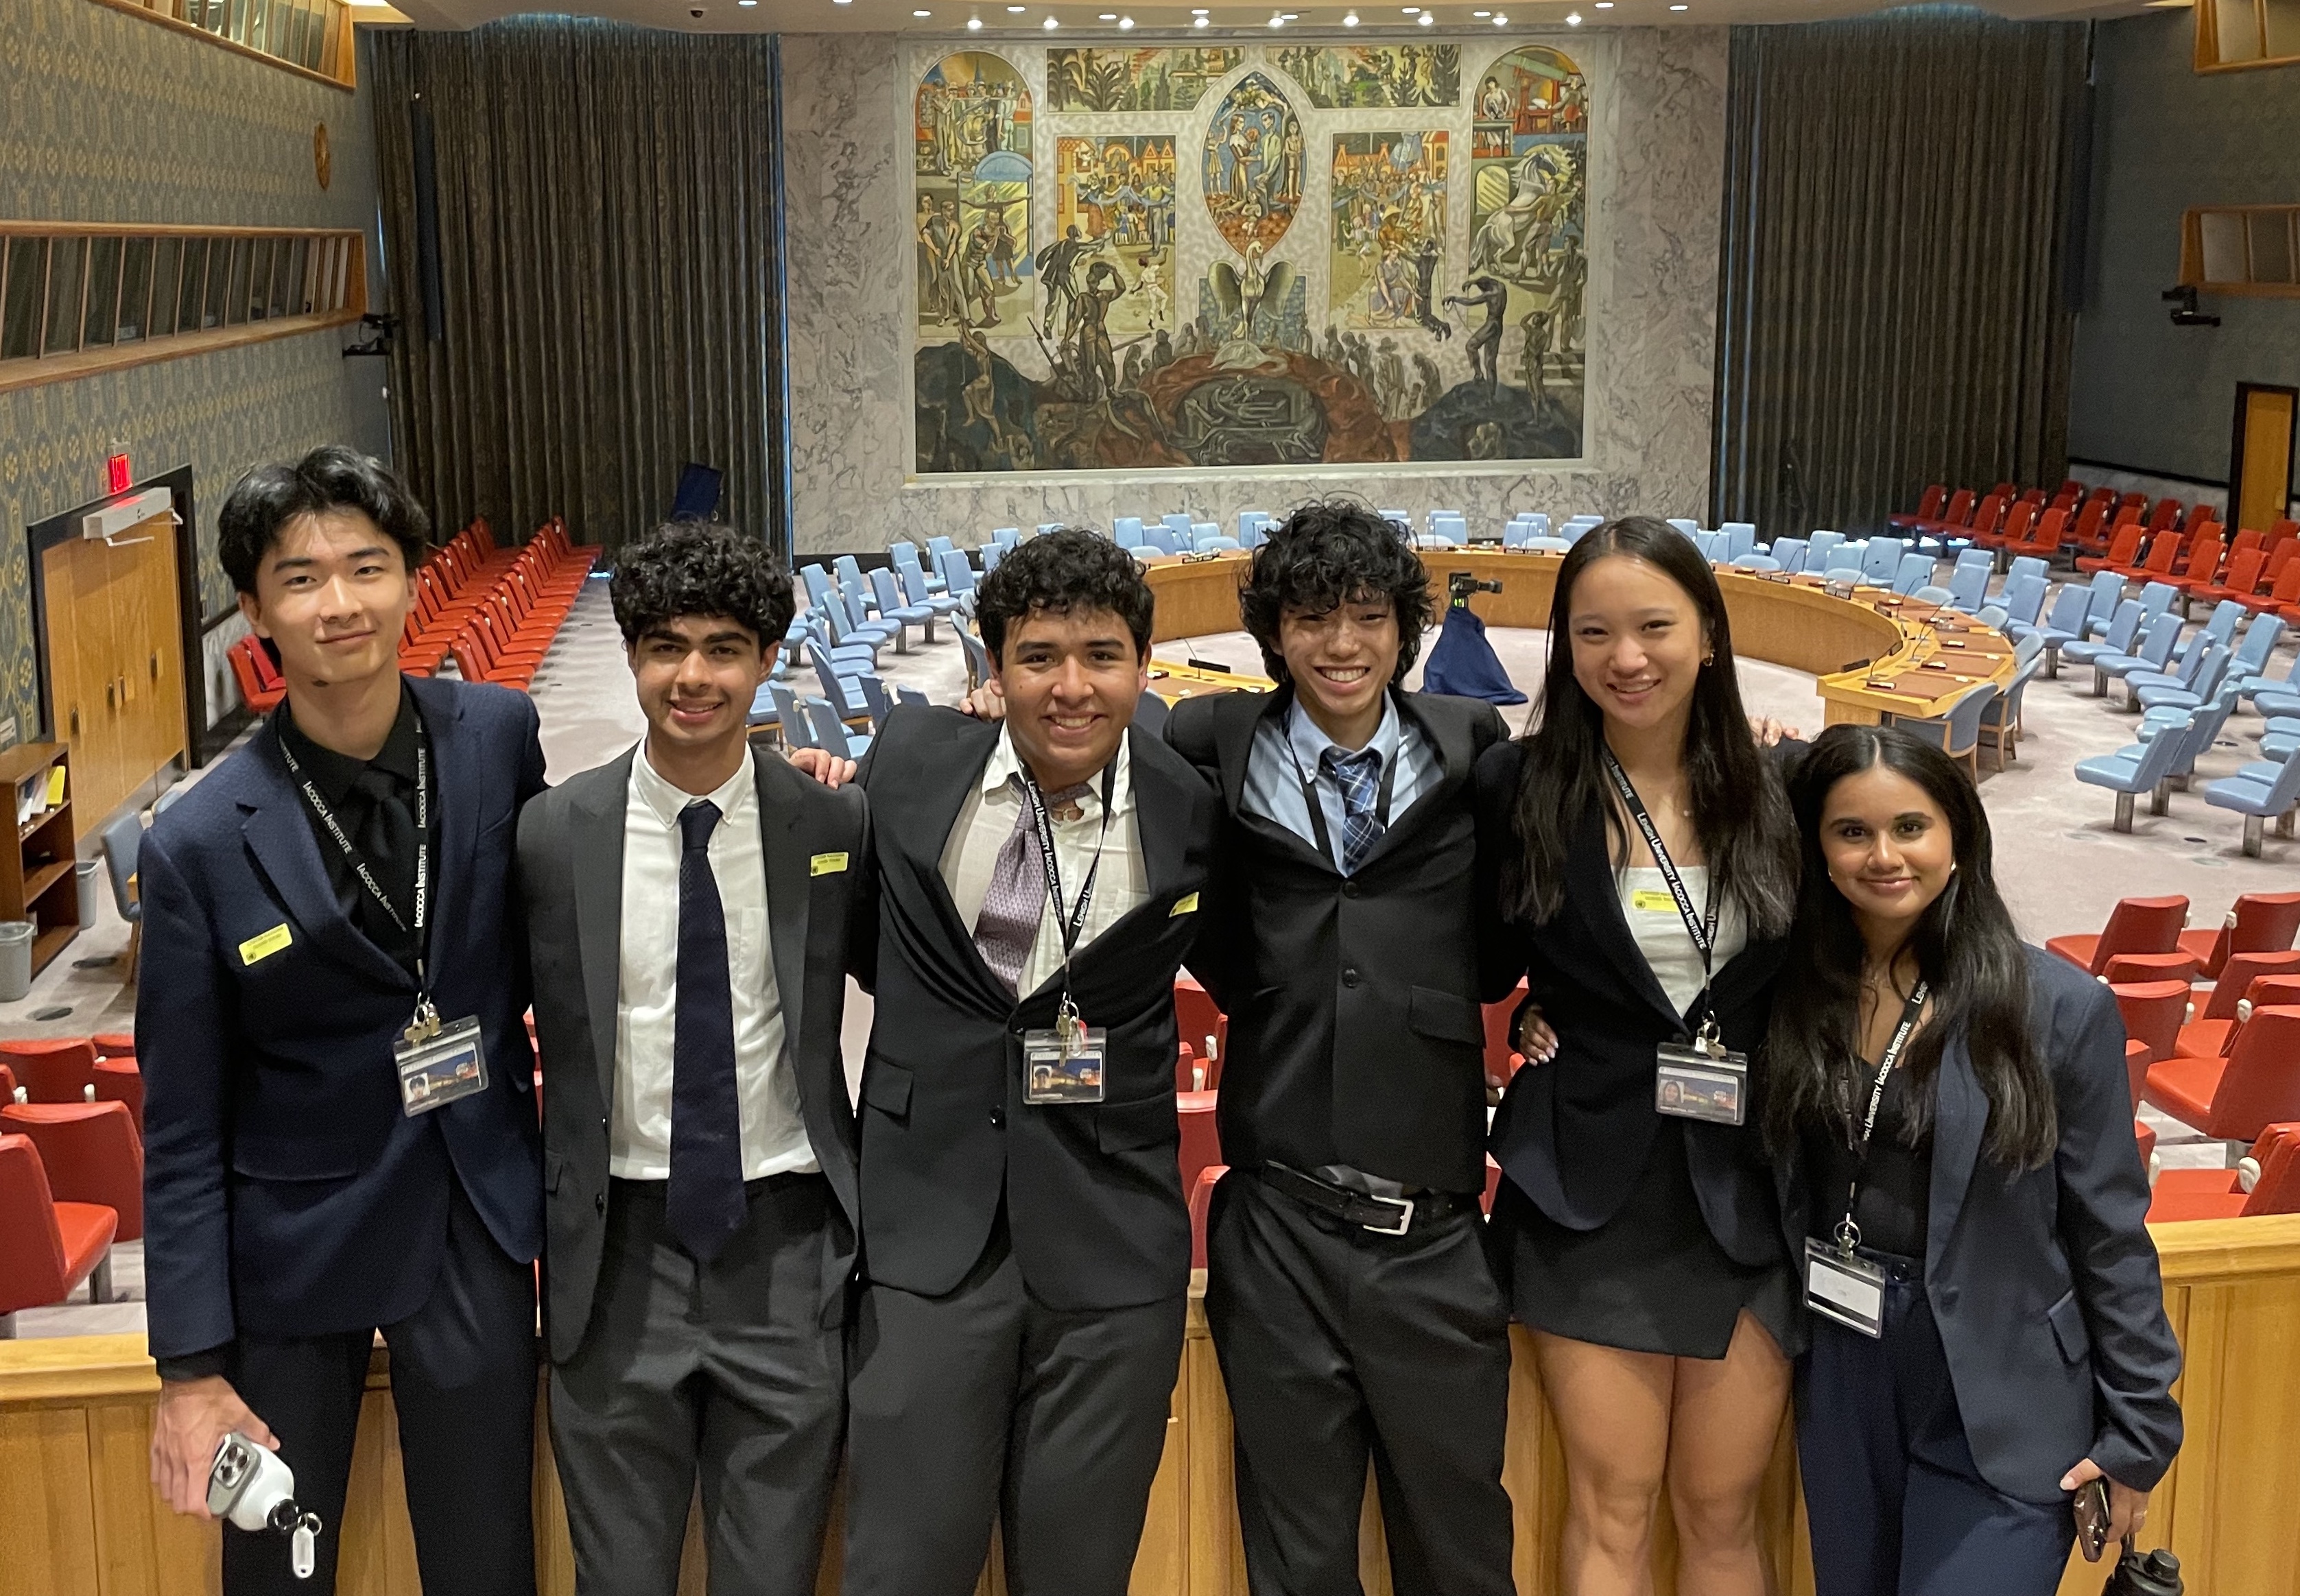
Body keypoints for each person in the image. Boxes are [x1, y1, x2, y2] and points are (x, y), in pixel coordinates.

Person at [139, 447, 544, 1596]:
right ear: (255, 607)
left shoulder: (497, 737)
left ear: (413, 579)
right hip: (288, 1250)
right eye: (301, 577)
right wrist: (188, 1367)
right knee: (273, 1573)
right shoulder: (199, 841)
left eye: (366, 567)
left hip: (471, 1213)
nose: (340, 602)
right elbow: (176, 1128)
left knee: (486, 1562)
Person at [841, 529, 1218, 1596]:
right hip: (926, 1233)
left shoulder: (1194, 804)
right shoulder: (908, 763)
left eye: (1101, 654)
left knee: (1079, 1572)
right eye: (1038, 654)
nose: (1070, 686)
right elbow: (858, 940)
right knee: (903, 1568)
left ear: (1143, 665)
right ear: (991, 663)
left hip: (1110, 1246)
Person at [1166, 503, 1519, 1596]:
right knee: (1297, 1552)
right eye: (1311, 616)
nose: (1341, 643)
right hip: (1277, 1220)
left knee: (1460, 1547)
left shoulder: (1473, 748)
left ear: (1405, 629)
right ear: (1272, 631)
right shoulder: (1211, 744)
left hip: (1434, 1230)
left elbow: (1509, 937)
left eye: (1368, 615)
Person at [516, 522, 868, 1595]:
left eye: (724, 646)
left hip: (788, 1242)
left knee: (773, 1575)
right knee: (618, 1577)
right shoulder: (551, 833)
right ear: (630, 655)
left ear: (768, 659)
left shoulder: (833, 820)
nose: (694, 675)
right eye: (665, 645)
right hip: (617, 1253)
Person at [1766, 725, 2181, 1595]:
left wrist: (2140, 1430)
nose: (1883, 855)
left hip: (2004, 1380)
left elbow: (2109, 1231)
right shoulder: (1792, 990)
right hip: (1842, 1360)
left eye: (1910, 827)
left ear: (1958, 836)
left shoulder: (2056, 1007)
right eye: (1851, 831)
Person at [1475, 516, 1802, 1596]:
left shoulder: (1783, 789)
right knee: (1611, 1506)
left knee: (1720, 1512)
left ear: (1707, 631)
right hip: (1587, 1187)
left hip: (1747, 1189)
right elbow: (1476, 960)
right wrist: (1524, 1013)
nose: (1628, 657)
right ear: (1563, 647)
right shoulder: (1518, 788)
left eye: (1654, 625)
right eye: (1594, 631)